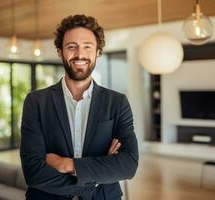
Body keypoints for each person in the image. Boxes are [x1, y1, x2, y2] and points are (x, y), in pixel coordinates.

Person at [20, 14, 138, 200]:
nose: (80, 54)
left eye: (87, 47)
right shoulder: (36, 102)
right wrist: (98, 175)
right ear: (60, 52)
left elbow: (128, 165)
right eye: (71, 47)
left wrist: (68, 164)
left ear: (98, 52)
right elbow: (33, 171)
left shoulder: (117, 102)